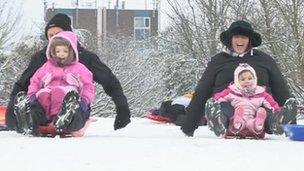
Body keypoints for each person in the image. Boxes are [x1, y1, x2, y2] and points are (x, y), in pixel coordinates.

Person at [5, 13, 131, 132]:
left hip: (75, 105)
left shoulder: (85, 58)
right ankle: (30, 120)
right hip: (45, 106)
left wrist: (122, 107)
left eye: (58, 33)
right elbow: (25, 83)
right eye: (50, 35)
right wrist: (12, 109)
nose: (54, 37)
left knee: (75, 110)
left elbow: (109, 81)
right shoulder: (41, 58)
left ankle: (68, 117)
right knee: (35, 106)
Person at [180, 20, 297, 137]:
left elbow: (281, 91)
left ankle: (276, 122)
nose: (240, 41)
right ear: (230, 39)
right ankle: (219, 121)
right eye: (236, 37)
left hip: (258, 107)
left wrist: (293, 128)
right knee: (224, 108)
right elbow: (202, 91)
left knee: (266, 111)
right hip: (229, 106)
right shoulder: (218, 61)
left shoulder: (264, 60)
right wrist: (188, 126)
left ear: (249, 40)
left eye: (244, 37)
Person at [14, 31, 95, 134]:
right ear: (53, 51)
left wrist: (84, 101)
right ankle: (29, 120)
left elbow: (88, 86)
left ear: (71, 51)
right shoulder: (47, 66)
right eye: (58, 51)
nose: (61, 54)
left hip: (74, 103)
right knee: (42, 95)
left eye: (65, 51)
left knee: (72, 109)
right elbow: (35, 80)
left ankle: (65, 117)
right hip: (46, 109)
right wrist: (32, 96)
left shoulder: (80, 69)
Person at [213, 63, 280, 136]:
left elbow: (272, 104)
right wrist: (213, 106)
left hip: (252, 121)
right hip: (235, 121)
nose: (247, 81)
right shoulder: (232, 91)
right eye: (243, 79)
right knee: (230, 113)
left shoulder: (260, 93)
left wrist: (278, 113)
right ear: (237, 81)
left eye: (250, 78)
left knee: (257, 119)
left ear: (255, 79)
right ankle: (233, 122)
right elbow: (218, 98)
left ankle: (259, 123)